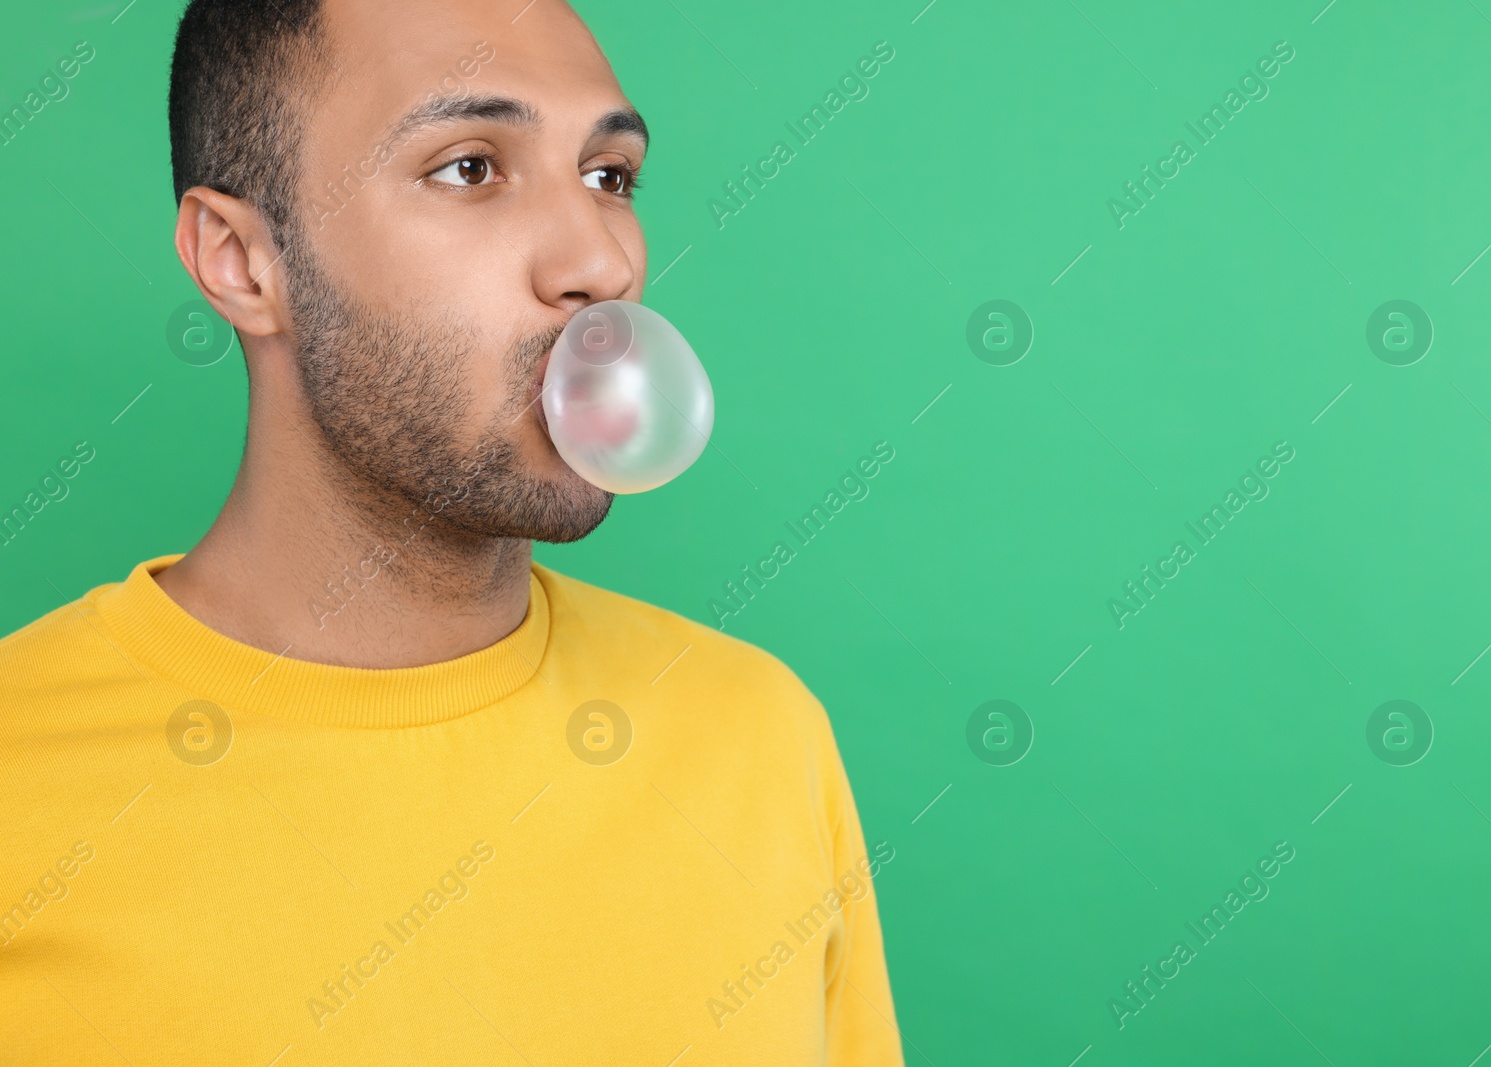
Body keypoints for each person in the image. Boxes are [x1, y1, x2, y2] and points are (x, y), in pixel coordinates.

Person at [0, 1, 903, 1062]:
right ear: (241, 260)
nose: (600, 266)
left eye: (609, 176)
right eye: (470, 167)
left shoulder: (761, 738)